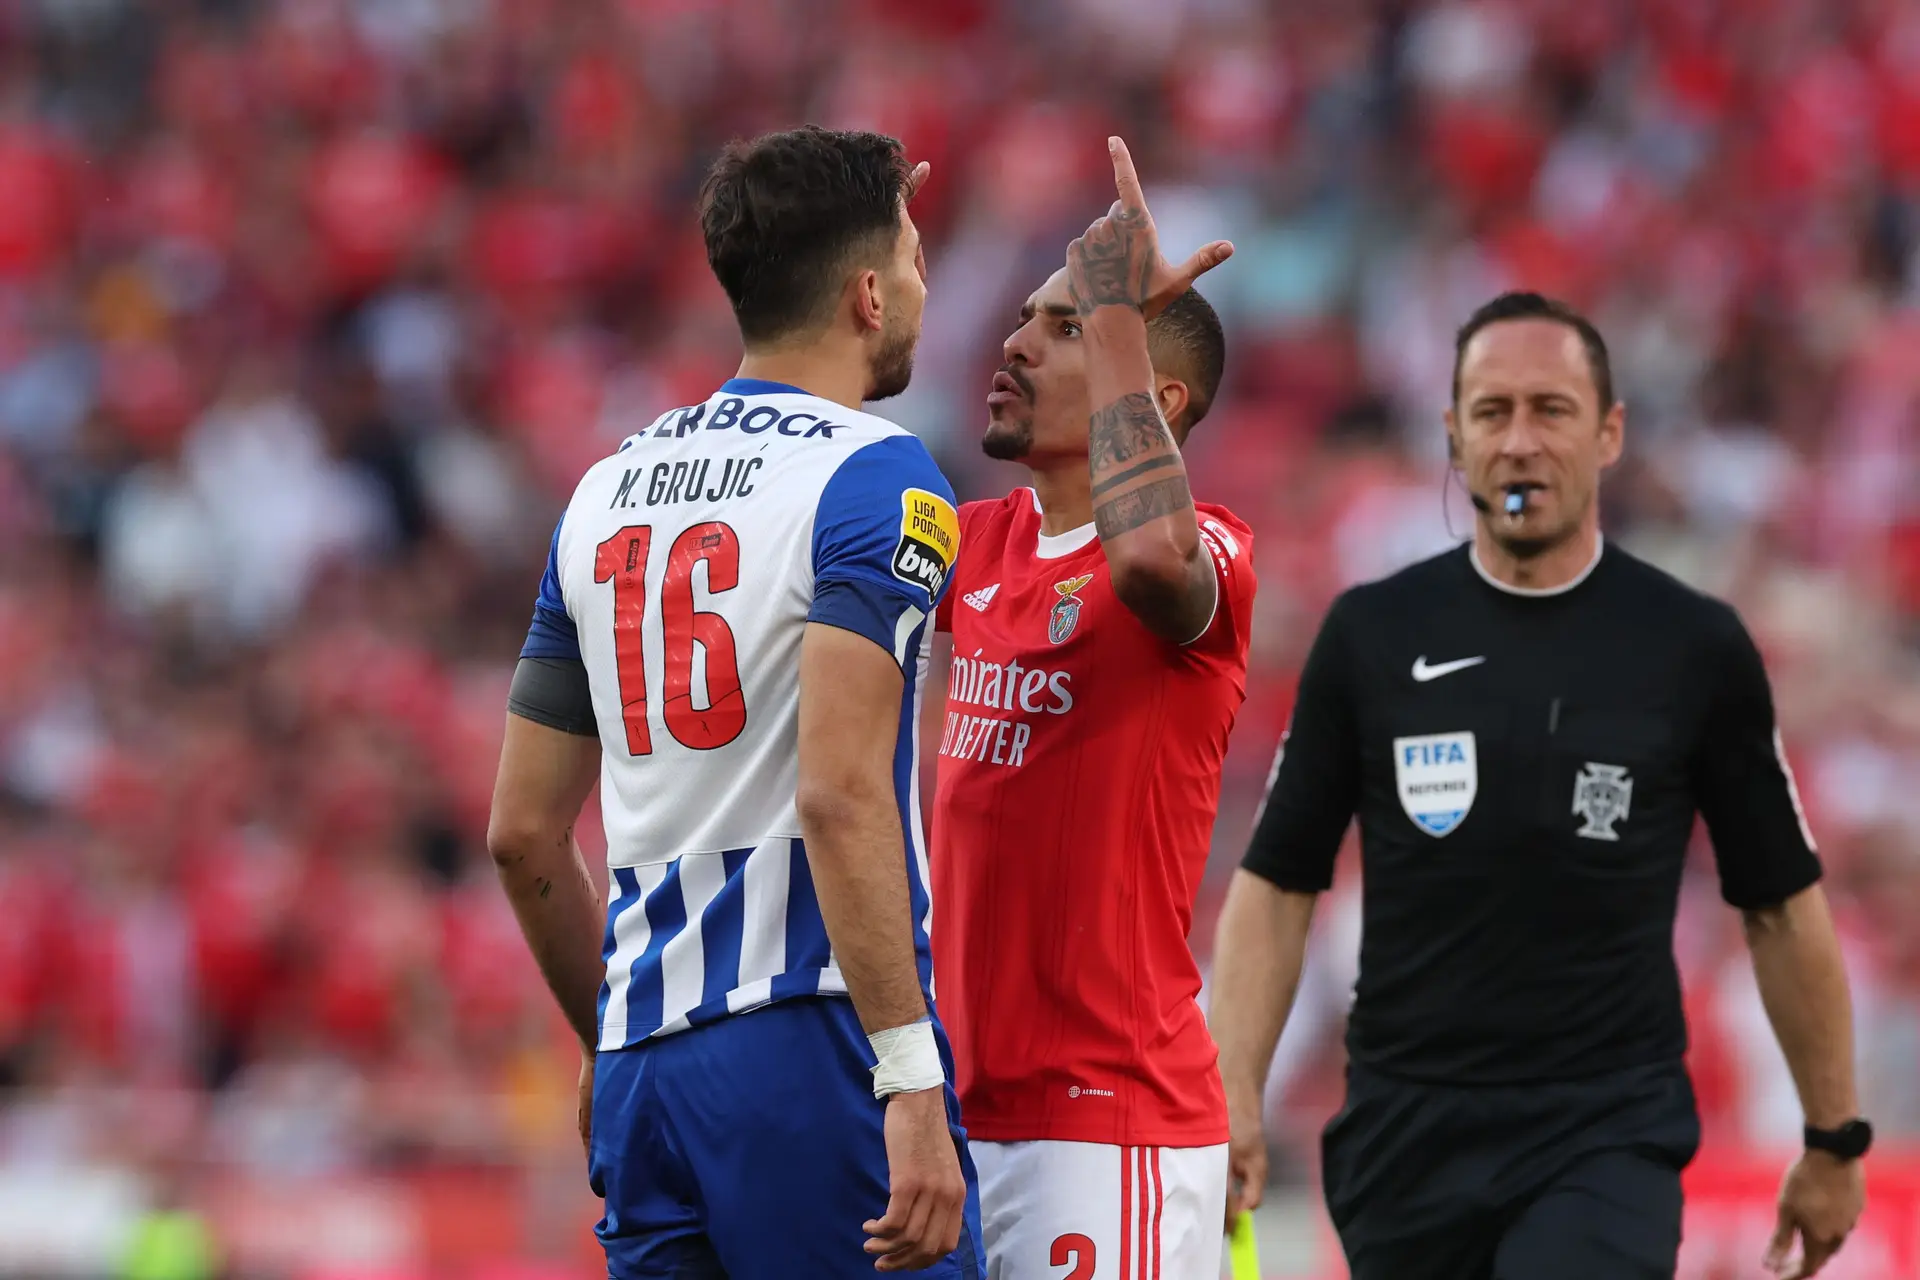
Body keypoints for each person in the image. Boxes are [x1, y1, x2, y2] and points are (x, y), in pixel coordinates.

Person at [1207, 291, 1870, 1280]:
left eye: (1552, 409)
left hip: (1604, 1135)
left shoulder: (1691, 646)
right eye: (1492, 411)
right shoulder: (1373, 636)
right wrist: (1232, 1091)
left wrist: (1833, 1137)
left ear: (1608, 433)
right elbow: (1276, 884)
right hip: (1404, 1141)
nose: (1521, 441)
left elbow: (1780, 904)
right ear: (1453, 436)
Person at [485, 125, 984, 1278]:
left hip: (648, 1067)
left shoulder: (601, 494)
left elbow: (522, 832)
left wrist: (608, 1039)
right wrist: (910, 1074)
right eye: (913, 258)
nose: (923, 283)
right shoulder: (876, 473)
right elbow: (844, 791)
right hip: (811, 1039)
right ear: (868, 293)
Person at [928, 137, 1248, 1279]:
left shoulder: (1209, 553)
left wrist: (1116, 314)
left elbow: (1154, 560)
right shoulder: (968, 545)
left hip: (1107, 1122)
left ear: (1154, 395)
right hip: (952, 1120)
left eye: (1063, 326)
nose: (1013, 341)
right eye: (1032, 315)